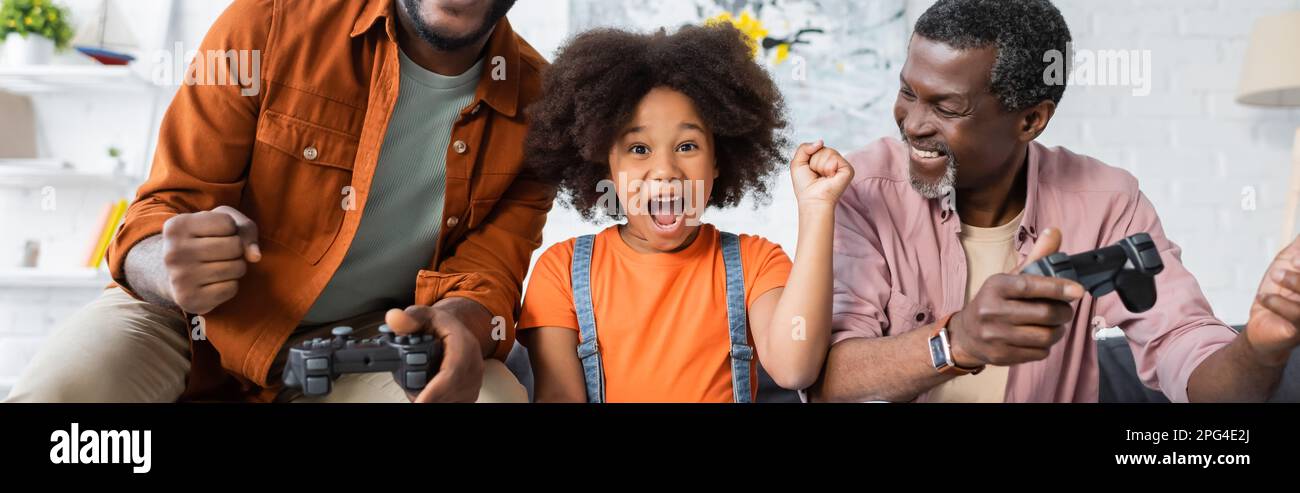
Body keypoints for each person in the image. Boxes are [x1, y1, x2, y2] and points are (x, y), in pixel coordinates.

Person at [7, 0, 553, 403]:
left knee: (491, 399)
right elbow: (161, 211)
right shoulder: (266, 22)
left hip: (369, 341)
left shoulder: (544, 110)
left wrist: (458, 323)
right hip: (183, 325)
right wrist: (167, 268)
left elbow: (487, 276)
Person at [812, 0, 1300, 403]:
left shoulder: (1108, 202)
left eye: (946, 107)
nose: (912, 123)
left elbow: (1184, 350)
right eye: (907, 92)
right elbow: (825, 380)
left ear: (1030, 121)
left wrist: (1259, 350)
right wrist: (958, 341)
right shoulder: (863, 189)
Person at [515, 24, 854, 402]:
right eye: (639, 148)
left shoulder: (755, 263)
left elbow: (796, 368)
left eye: (687, 145)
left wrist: (817, 207)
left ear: (718, 161)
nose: (665, 170)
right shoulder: (561, 271)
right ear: (604, 165)